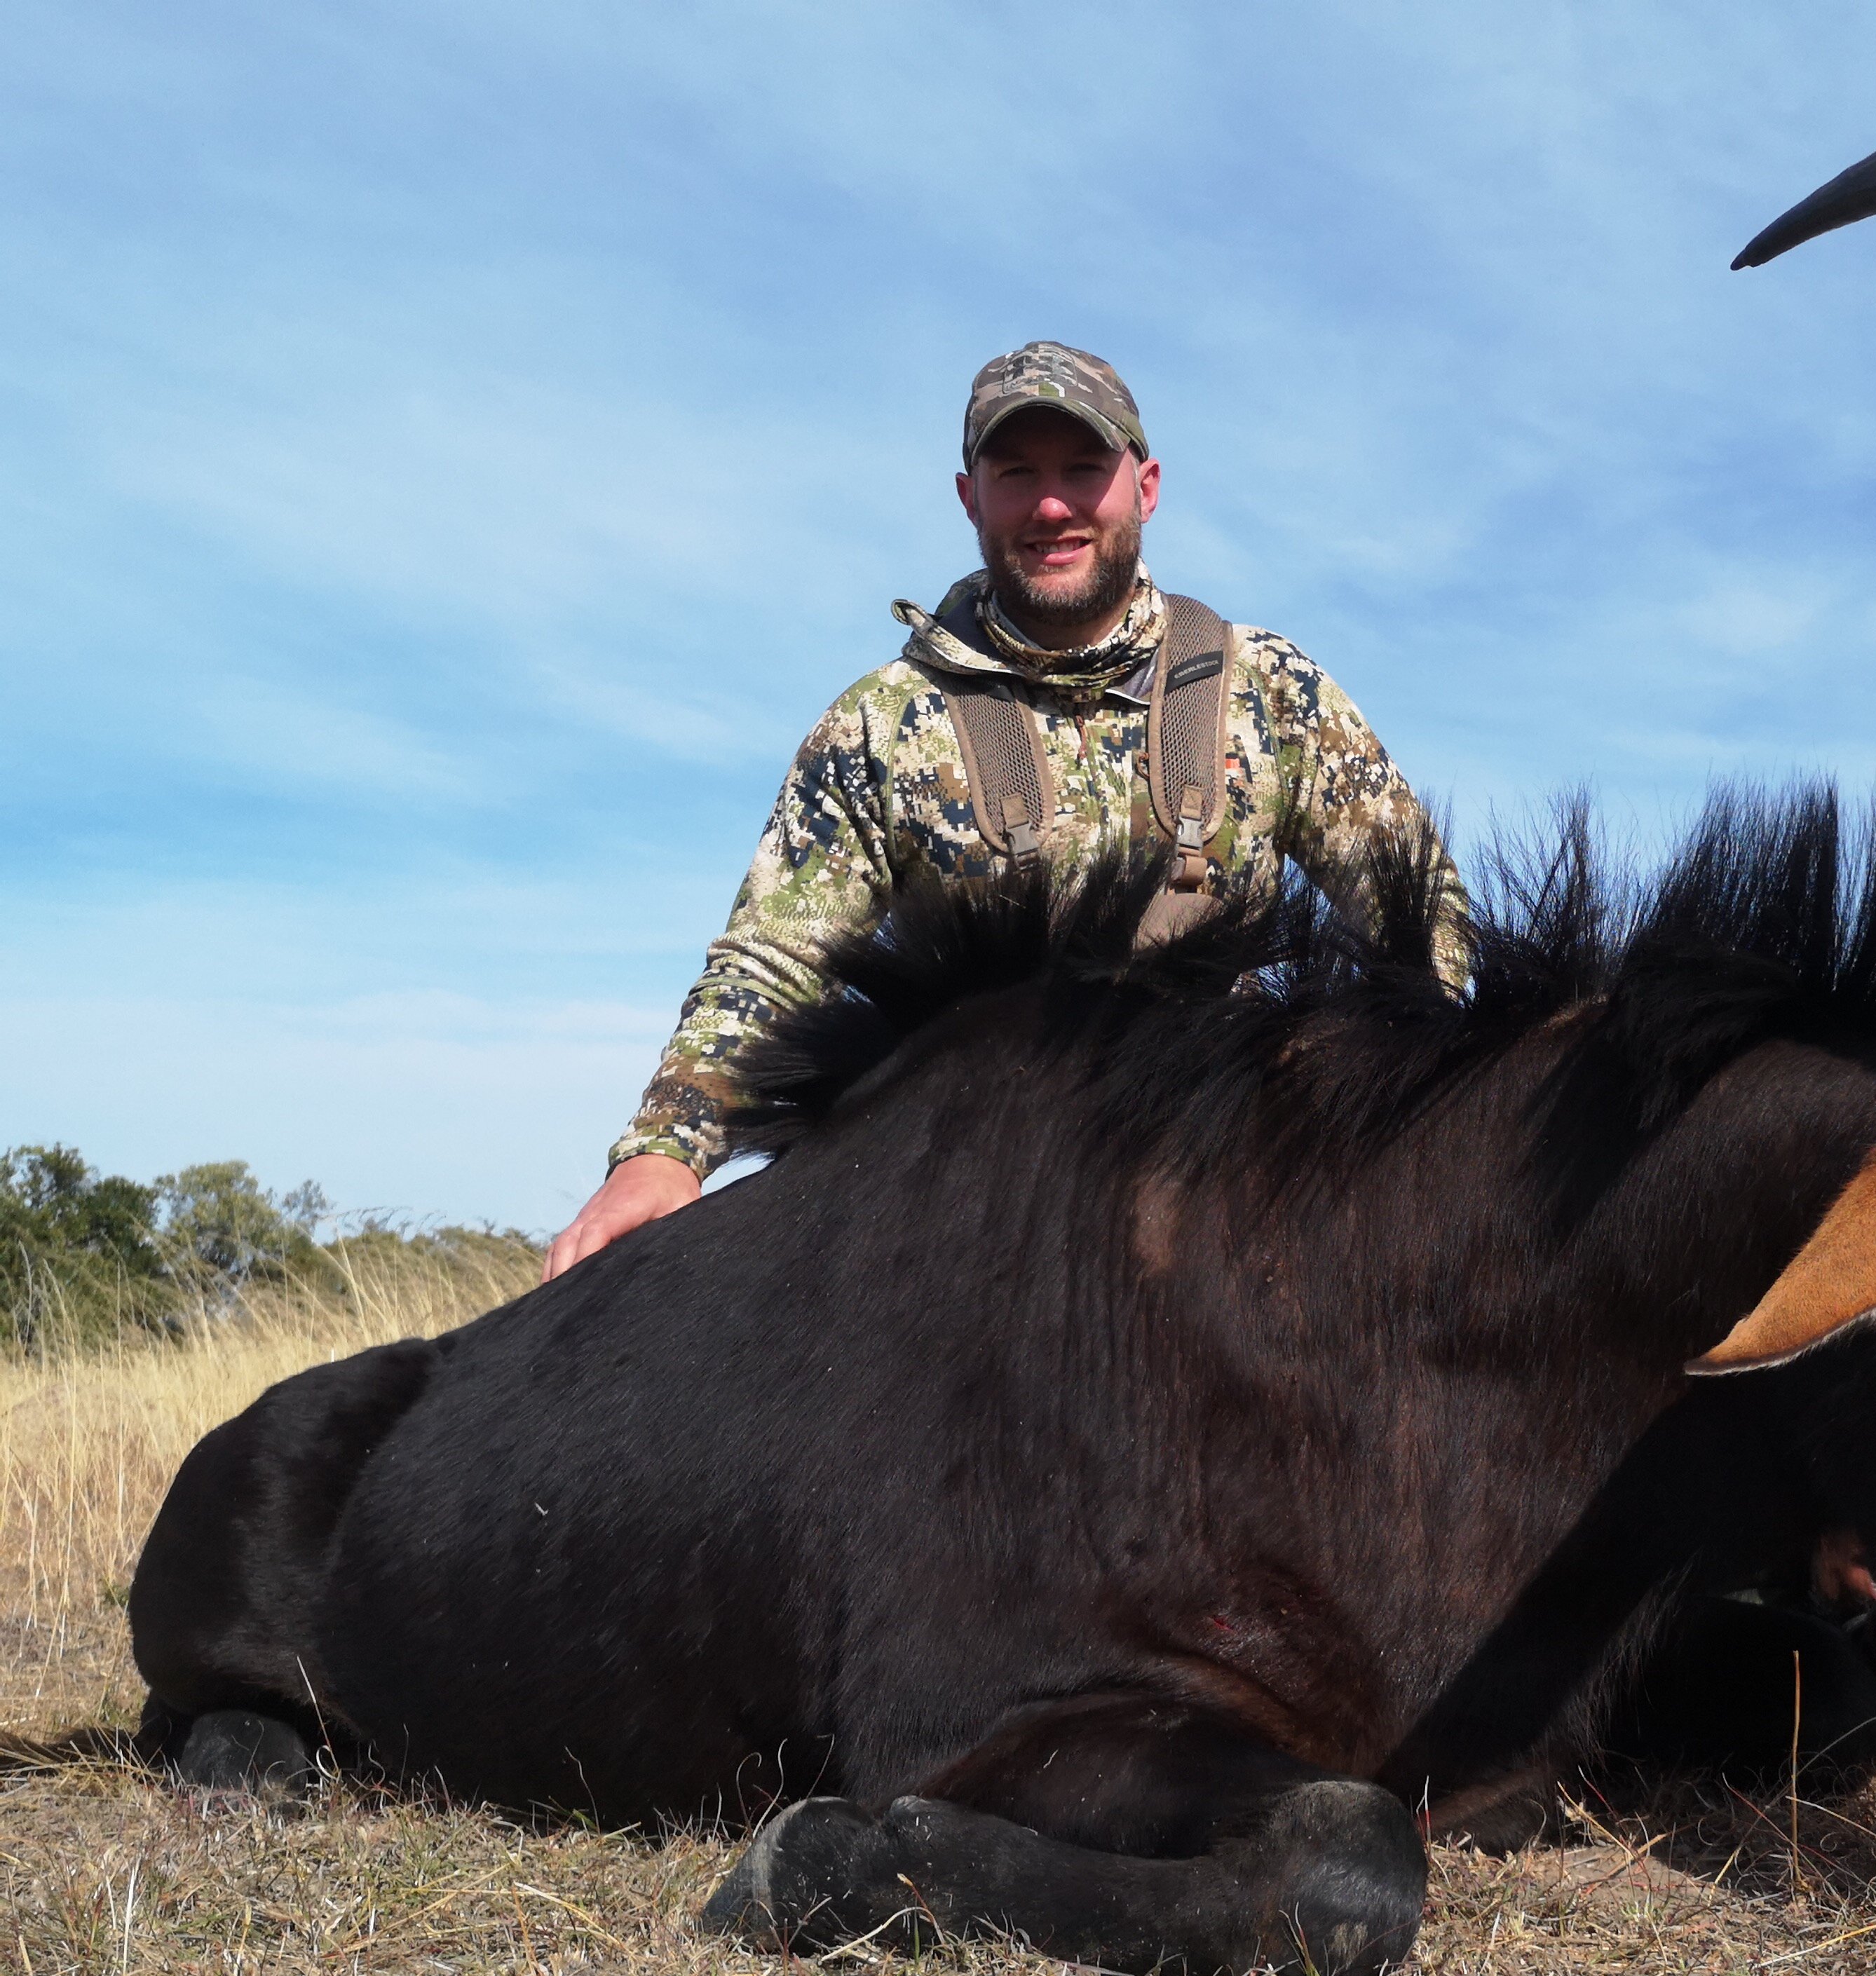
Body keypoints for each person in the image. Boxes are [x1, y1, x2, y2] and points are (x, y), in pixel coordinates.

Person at [547, 341, 1455, 1279]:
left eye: (1083, 471)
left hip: (1226, 1203)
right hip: (973, 1221)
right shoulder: (881, 723)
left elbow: (1419, 915)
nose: (1051, 505)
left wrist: (1420, 1110)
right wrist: (663, 1150)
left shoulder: (1271, 686)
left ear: (1144, 486)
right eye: (1016, 474)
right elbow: (772, 963)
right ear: (969, 497)